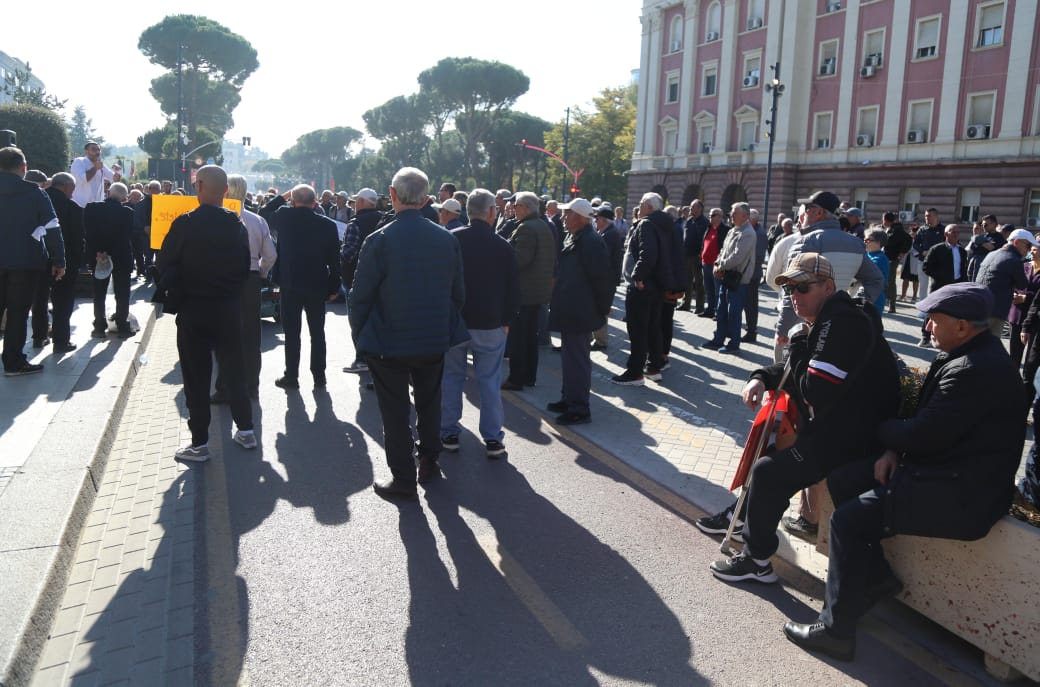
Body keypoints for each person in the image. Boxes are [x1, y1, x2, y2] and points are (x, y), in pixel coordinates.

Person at [783, 282, 1026, 661]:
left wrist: (876, 426)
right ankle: (876, 578)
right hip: (944, 472)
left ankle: (835, 630)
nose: (927, 328)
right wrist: (893, 447)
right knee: (847, 479)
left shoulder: (974, 370)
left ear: (962, 326)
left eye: (934, 321)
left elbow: (924, 434)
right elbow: (927, 430)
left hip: (961, 495)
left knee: (848, 521)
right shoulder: (971, 355)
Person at [702, 253, 900, 584]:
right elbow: (801, 371)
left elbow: (814, 389)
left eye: (802, 287)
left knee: (768, 471)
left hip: (854, 437)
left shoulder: (840, 324)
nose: (794, 296)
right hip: (842, 429)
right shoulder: (829, 320)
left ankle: (755, 558)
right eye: (789, 289)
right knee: (769, 462)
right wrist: (761, 376)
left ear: (827, 286)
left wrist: (796, 342)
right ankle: (742, 524)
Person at [349, 167, 467, 501]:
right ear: (428, 199)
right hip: (432, 338)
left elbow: (360, 297)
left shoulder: (380, 239)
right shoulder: (446, 239)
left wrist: (361, 337)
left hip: (388, 342)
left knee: (395, 412)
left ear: (393, 195)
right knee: (430, 403)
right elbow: (458, 294)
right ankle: (428, 461)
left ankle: (403, 478)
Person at [155, 165, 256, 461]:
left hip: (193, 309)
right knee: (234, 370)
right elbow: (244, 268)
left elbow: (164, 262)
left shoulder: (185, 223)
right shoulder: (236, 225)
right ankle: (247, 430)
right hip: (226, 308)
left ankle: (199, 443)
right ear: (226, 191)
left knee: (196, 377)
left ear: (198, 186)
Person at [440, 189, 519, 457]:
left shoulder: (451, 240)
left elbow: (442, 282)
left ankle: (449, 431)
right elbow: (513, 290)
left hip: (456, 321)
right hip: (491, 323)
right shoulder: (503, 246)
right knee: (488, 381)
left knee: (451, 377)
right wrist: (507, 321)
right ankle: (493, 438)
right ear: (490, 213)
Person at [267, 184, 341, 389]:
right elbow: (335, 260)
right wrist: (334, 287)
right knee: (318, 332)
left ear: (292, 201)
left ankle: (291, 376)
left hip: (290, 283)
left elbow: (264, 211)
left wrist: (285, 195)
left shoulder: (284, 216)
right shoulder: (327, 225)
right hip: (317, 284)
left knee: (292, 333)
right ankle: (319, 376)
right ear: (315, 203)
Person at [546, 198, 613, 424]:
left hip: (580, 311)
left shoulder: (591, 241)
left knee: (578, 360)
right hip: (572, 309)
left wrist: (601, 310)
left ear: (581, 218)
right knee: (570, 359)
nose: (564, 218)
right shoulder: (576, 237)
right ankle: (569, 399)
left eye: (568, 214)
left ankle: (579, 407)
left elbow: (602, 279)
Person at [0, 147, 66, 375]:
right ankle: (13, 362)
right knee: (18, 314)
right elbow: (52, 228)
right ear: (23, 168)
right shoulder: (35, 193)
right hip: (26, 261)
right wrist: (59, 260)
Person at [212, 174, 277, 401]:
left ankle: (224, 387)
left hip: (222, 279)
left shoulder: (217, 218)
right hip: (250, 279)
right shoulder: (257, 220)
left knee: (224, 335)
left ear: (225, 190)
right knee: (251, 335)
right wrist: (260, 272)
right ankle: (251, 387)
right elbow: (270, 255)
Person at [613, 192, 676, 384]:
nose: (638, 208)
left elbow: (647, 254)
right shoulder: (664, 224)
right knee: (653, 327)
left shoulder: (647, 224)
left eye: (641, 204)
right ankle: (654, 367)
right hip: (657, 285)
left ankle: (635, 372)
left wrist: (638, 276)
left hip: (642, 286)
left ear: (649, 206)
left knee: (638, 329)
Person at [502, 192, 556, 388]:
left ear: (525, 207)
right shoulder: (543, 225)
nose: (513, 209)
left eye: (516, 206)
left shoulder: (526, 228)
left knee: (518, 338)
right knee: (531, 337)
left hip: (524, 293)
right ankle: (529, 376)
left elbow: (519, 260)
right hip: (538, 292)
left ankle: (516, 378)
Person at [702, 203, 756, 355]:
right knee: (721, 310)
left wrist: (720, 266)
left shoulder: (748, 233)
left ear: (745, 216)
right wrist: (717, 264)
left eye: (734, 213)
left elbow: (738, 257)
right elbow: (723, 251)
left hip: (737, 280)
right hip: (726, 275)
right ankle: (718, 339)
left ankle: (734, 344)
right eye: (732, 213)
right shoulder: (733, 230)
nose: (731, 216)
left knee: (734, 312)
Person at [84, 182, 135, 338]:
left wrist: (100, 252)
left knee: (99, 292)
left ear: (108, 193)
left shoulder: (91, 208)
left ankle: (99, 326)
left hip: (98, 256)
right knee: (122, 292)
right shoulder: (127, 213)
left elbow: (88, 233)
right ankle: (122, 325)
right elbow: (125, 236)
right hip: (121, 256)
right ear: (124, 197)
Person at [42, 173, 84, 352]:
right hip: (64, 261)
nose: (72, 194)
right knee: (63, 302)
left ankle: (39, 336)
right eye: (72, 190)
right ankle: (60, 341)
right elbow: (76, 237)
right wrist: (79, 261)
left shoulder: (38, 199)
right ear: (66, 187)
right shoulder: (71, 206)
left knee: (37, 300)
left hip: (36, 259)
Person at [976, 228, 1036, 338]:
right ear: (1017, 242)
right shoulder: (1014, 260)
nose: (1029, 251)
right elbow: (1022, 285)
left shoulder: (992, 254)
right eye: (1028, 246)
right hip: (995, 312)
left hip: (978, 308)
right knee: (989, 349)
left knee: (975, 346)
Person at [590, 206, 624, 352]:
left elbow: (603, 259)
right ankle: (598, 338)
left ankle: (601, 341)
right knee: (599, 308)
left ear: (604, 220)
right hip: (606, 279)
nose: (595, 221)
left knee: (600, 308)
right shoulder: (607, 232)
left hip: (606, 280)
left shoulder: (609, 235)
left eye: (597, 218)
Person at [913, 209, 946, 345]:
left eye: (929, 216)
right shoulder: (922, 229)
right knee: (923, 284)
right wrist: (922, 251)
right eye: (926, 216)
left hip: (938, 263)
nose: (927, 218)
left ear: (936, 216)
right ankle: (922, 308)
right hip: (923, 260)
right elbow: (916, 243)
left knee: (934, 287)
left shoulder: (943, 230)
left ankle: (932, 308)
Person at [742, 207, 768, 343]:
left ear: (752, 220)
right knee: (747, 304)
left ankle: (751, 332)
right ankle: (750, 330)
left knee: (751, 305)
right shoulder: (753, 231)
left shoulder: (760, 233)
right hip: (749, 273)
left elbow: (758, 256)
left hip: (752, 274)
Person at [698, 208, 728, 319]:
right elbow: (704, 244)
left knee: (717, 290)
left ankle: (718, 312)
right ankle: (710, 309)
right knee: (708, 289)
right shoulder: (708, 228)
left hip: (717, 265)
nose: (710, 217)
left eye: (713, 215)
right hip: (706, 263)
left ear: (720, 217)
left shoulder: (725, 230)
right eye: (710, 215)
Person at [678, 200, 708, 312]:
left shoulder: (705, 222)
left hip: (697, 256)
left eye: (692, 207)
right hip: (687, 255)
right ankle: (686, 303)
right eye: (690, 207)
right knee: (687, 281)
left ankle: (699, 306)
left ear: (700, 209)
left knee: (699, 283)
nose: (690, 210)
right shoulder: (689, 220)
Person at [881, 214, 912, 313]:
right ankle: (887, 302)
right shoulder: (889, 229)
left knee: (890, 281)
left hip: (892, 259)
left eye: (883, 220)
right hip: (886, 257)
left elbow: (908, 239)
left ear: (886, 220)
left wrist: (902, 252)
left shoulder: (897, 230)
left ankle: (892, 305)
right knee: (886, 280)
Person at [70, 141, 115, 208]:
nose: (97, 152)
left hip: (97, 206)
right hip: (80, 205)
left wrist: (118, 171)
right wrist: (95, 168)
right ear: (86, 151)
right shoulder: (79, 161)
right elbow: (84, 179)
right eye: (93, 149)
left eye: (98, 149)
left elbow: (115, 179)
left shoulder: (101, 164)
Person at [863, 228, 889, 313]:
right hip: (865, 296)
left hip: (875, 298)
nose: (865, 242)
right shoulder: (866, 255)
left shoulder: (880, 259)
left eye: (868, 240)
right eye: (864, 239)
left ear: (878, 242)